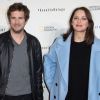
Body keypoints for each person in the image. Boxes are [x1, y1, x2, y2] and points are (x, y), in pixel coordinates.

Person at [44, 6, 100, 100]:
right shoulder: (59, 43)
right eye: (76, 18)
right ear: (71, 21)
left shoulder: (98, 46)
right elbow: (49, 62)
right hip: (65, 97)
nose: (79, 21)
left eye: (83, 18)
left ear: (88, 23)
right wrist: (54, 87)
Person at [0, 3, 43, 100]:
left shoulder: (34, 43)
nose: (16, 22)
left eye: (20, 18)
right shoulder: (1, 41)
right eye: (13, 18)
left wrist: (39, 96)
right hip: (5, 96)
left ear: (26, 20)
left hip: (29, 96)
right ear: (9, 19)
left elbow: (38, 74)